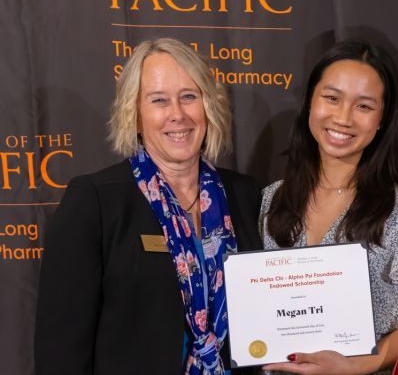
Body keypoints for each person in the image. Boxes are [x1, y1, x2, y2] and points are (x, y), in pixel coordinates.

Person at [34, 38, 262, 375]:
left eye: (189, 96)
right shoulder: (95, 201)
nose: (178, 114)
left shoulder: (245, 194)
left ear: (208, 106)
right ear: (135, 115)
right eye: (159, 100)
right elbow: (61, 349)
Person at [259, 39, 398, 375]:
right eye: (332, 98)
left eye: (364, 106)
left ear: (382, 119)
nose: (343, 118)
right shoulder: (273, 199)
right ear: (310, 102)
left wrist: (364, 364)